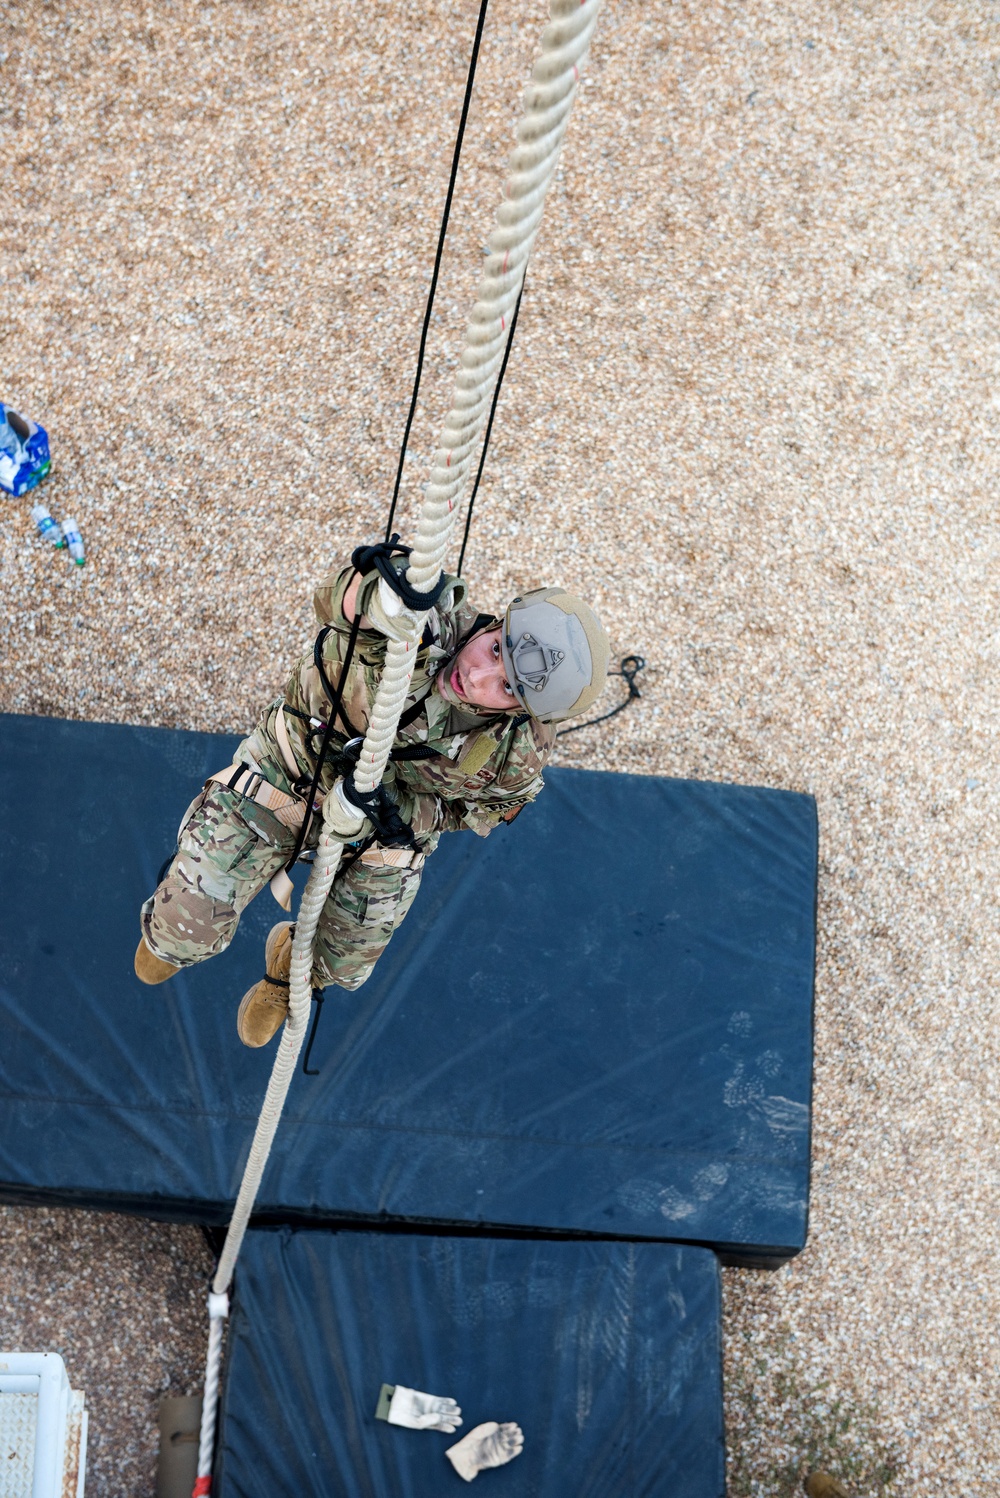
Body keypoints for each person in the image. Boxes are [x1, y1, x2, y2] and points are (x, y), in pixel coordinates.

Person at [133, 550, 610, 1047]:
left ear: (521, 711)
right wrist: (375, 601)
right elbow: (335, 598)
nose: (477, 678)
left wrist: (388, 810)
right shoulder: (424, 616)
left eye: (507, 687)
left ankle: (289, 970)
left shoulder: (517, 756)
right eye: (493, 651)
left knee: (346, 963)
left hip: (381, 824)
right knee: (180, 934)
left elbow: (471, 812)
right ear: (495, 624)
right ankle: (174, 922)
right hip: (292, 770)